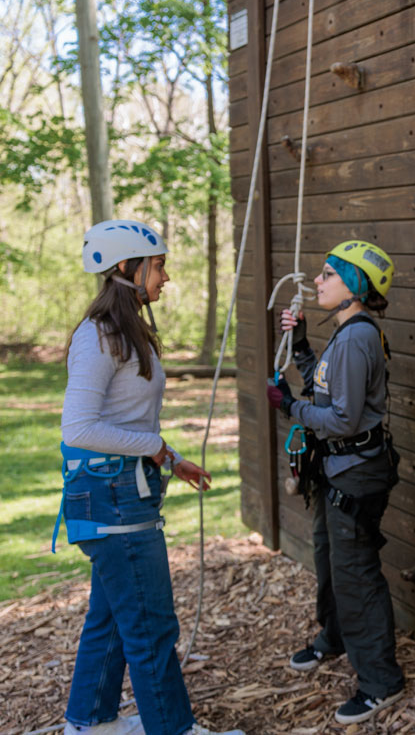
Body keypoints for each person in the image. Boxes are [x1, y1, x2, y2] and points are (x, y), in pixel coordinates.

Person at [58, 219, 244, 735]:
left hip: (121, 491)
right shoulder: (99, 336)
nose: (165, 276)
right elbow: (78, 428)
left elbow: (128, 422)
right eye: (158, 265)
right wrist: (156, 449)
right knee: (150, 626)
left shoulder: (123, 331)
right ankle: (173, 728)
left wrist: (171, 457)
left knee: (112, 619)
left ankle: (90, 723)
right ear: (126, 267)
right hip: (112, 496)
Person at [267, 240, 405, 725]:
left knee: (356, 573)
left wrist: (289, 406)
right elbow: (325, 390)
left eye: (328, 273)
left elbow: (342, 419)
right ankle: (336, 635)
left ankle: (381, 681)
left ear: (354, 284)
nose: (317, 280)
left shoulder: (355, 338)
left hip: (355, 471)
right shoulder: (346, 333)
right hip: (338, 469)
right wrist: (303, 347)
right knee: (329, 556)